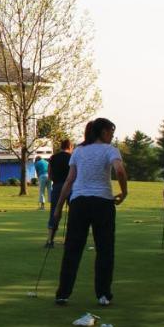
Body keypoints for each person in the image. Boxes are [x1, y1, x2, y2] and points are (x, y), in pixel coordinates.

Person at [50, 118, 127, 306]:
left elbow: (69, 181)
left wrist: (58, 208)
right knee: (105, 249)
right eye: (110, 132)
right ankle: (103, 294)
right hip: (103, 202)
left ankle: (63, 293)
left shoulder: (78, 151)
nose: (112, 136)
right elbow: (120, 171)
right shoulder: (110, 150)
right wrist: (124, 192)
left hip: (79, 202)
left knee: (72, 249)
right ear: (102, 132)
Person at [45, 139, 72, 246]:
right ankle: (70, 239)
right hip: (70, 187)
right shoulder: (72, 157)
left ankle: (50, 240)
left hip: (56, 186)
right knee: (73, 213)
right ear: (70, 146)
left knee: (55, 212)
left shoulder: (53, 158)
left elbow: (49, 174)